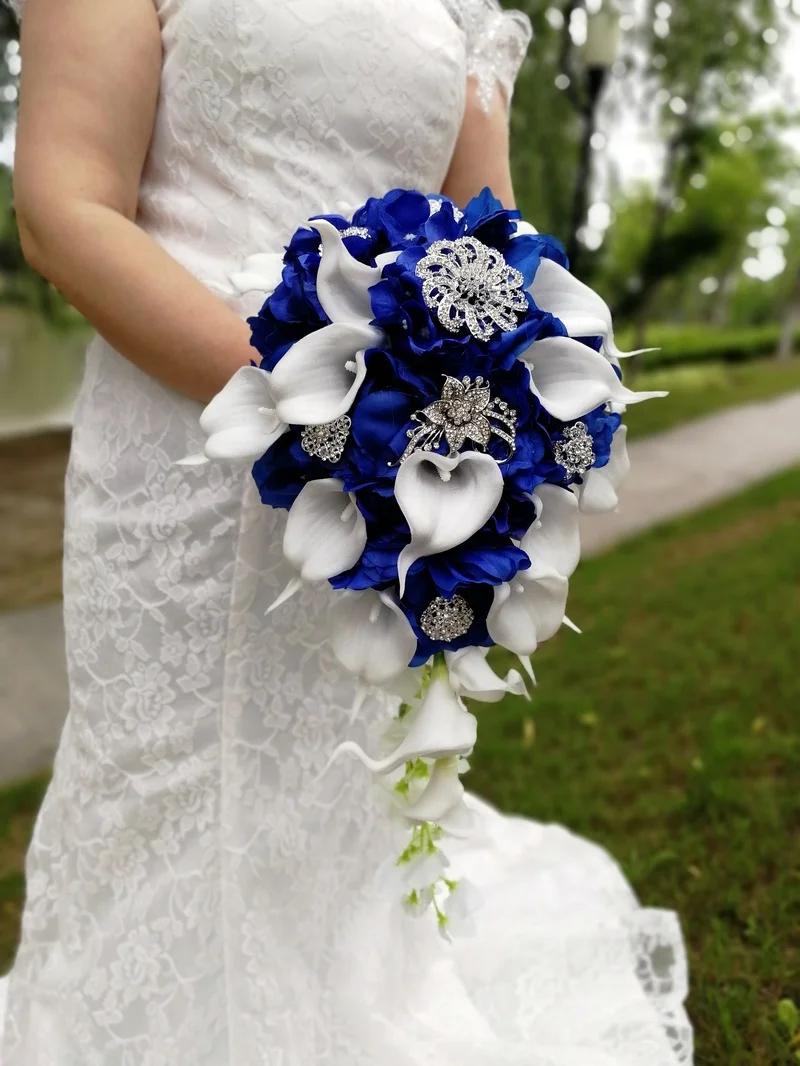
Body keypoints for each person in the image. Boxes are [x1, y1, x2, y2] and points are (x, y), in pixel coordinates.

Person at [0, 0, 693, 1062]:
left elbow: (486, 238)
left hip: (391, 479)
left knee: (335, 790)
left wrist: (478, 422)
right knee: (163, 782)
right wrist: (334, 408)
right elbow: (66, 210)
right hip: (180, 461)